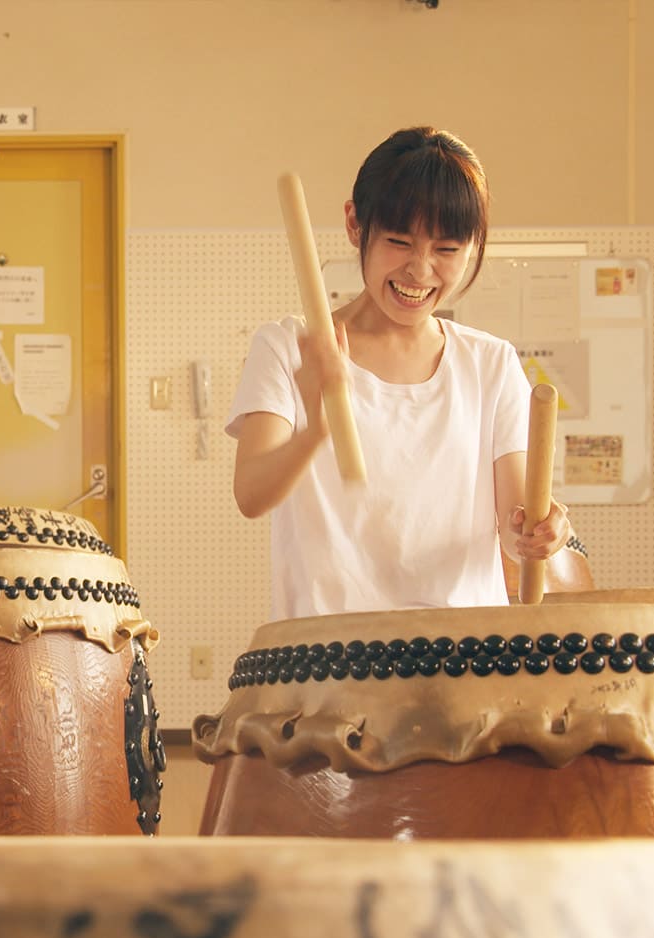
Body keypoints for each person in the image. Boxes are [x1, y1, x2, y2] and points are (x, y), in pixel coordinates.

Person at [229, 126, 570, 619]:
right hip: (328, 666)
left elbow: (516, 530)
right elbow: (251, 495)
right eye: (398, 241)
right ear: (354, 223)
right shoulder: (289, 347)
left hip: (462, 662)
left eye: (447, 250)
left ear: (473, 247)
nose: (420, 269)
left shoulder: (491, 364)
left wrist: (542, 533)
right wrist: (318, 426)